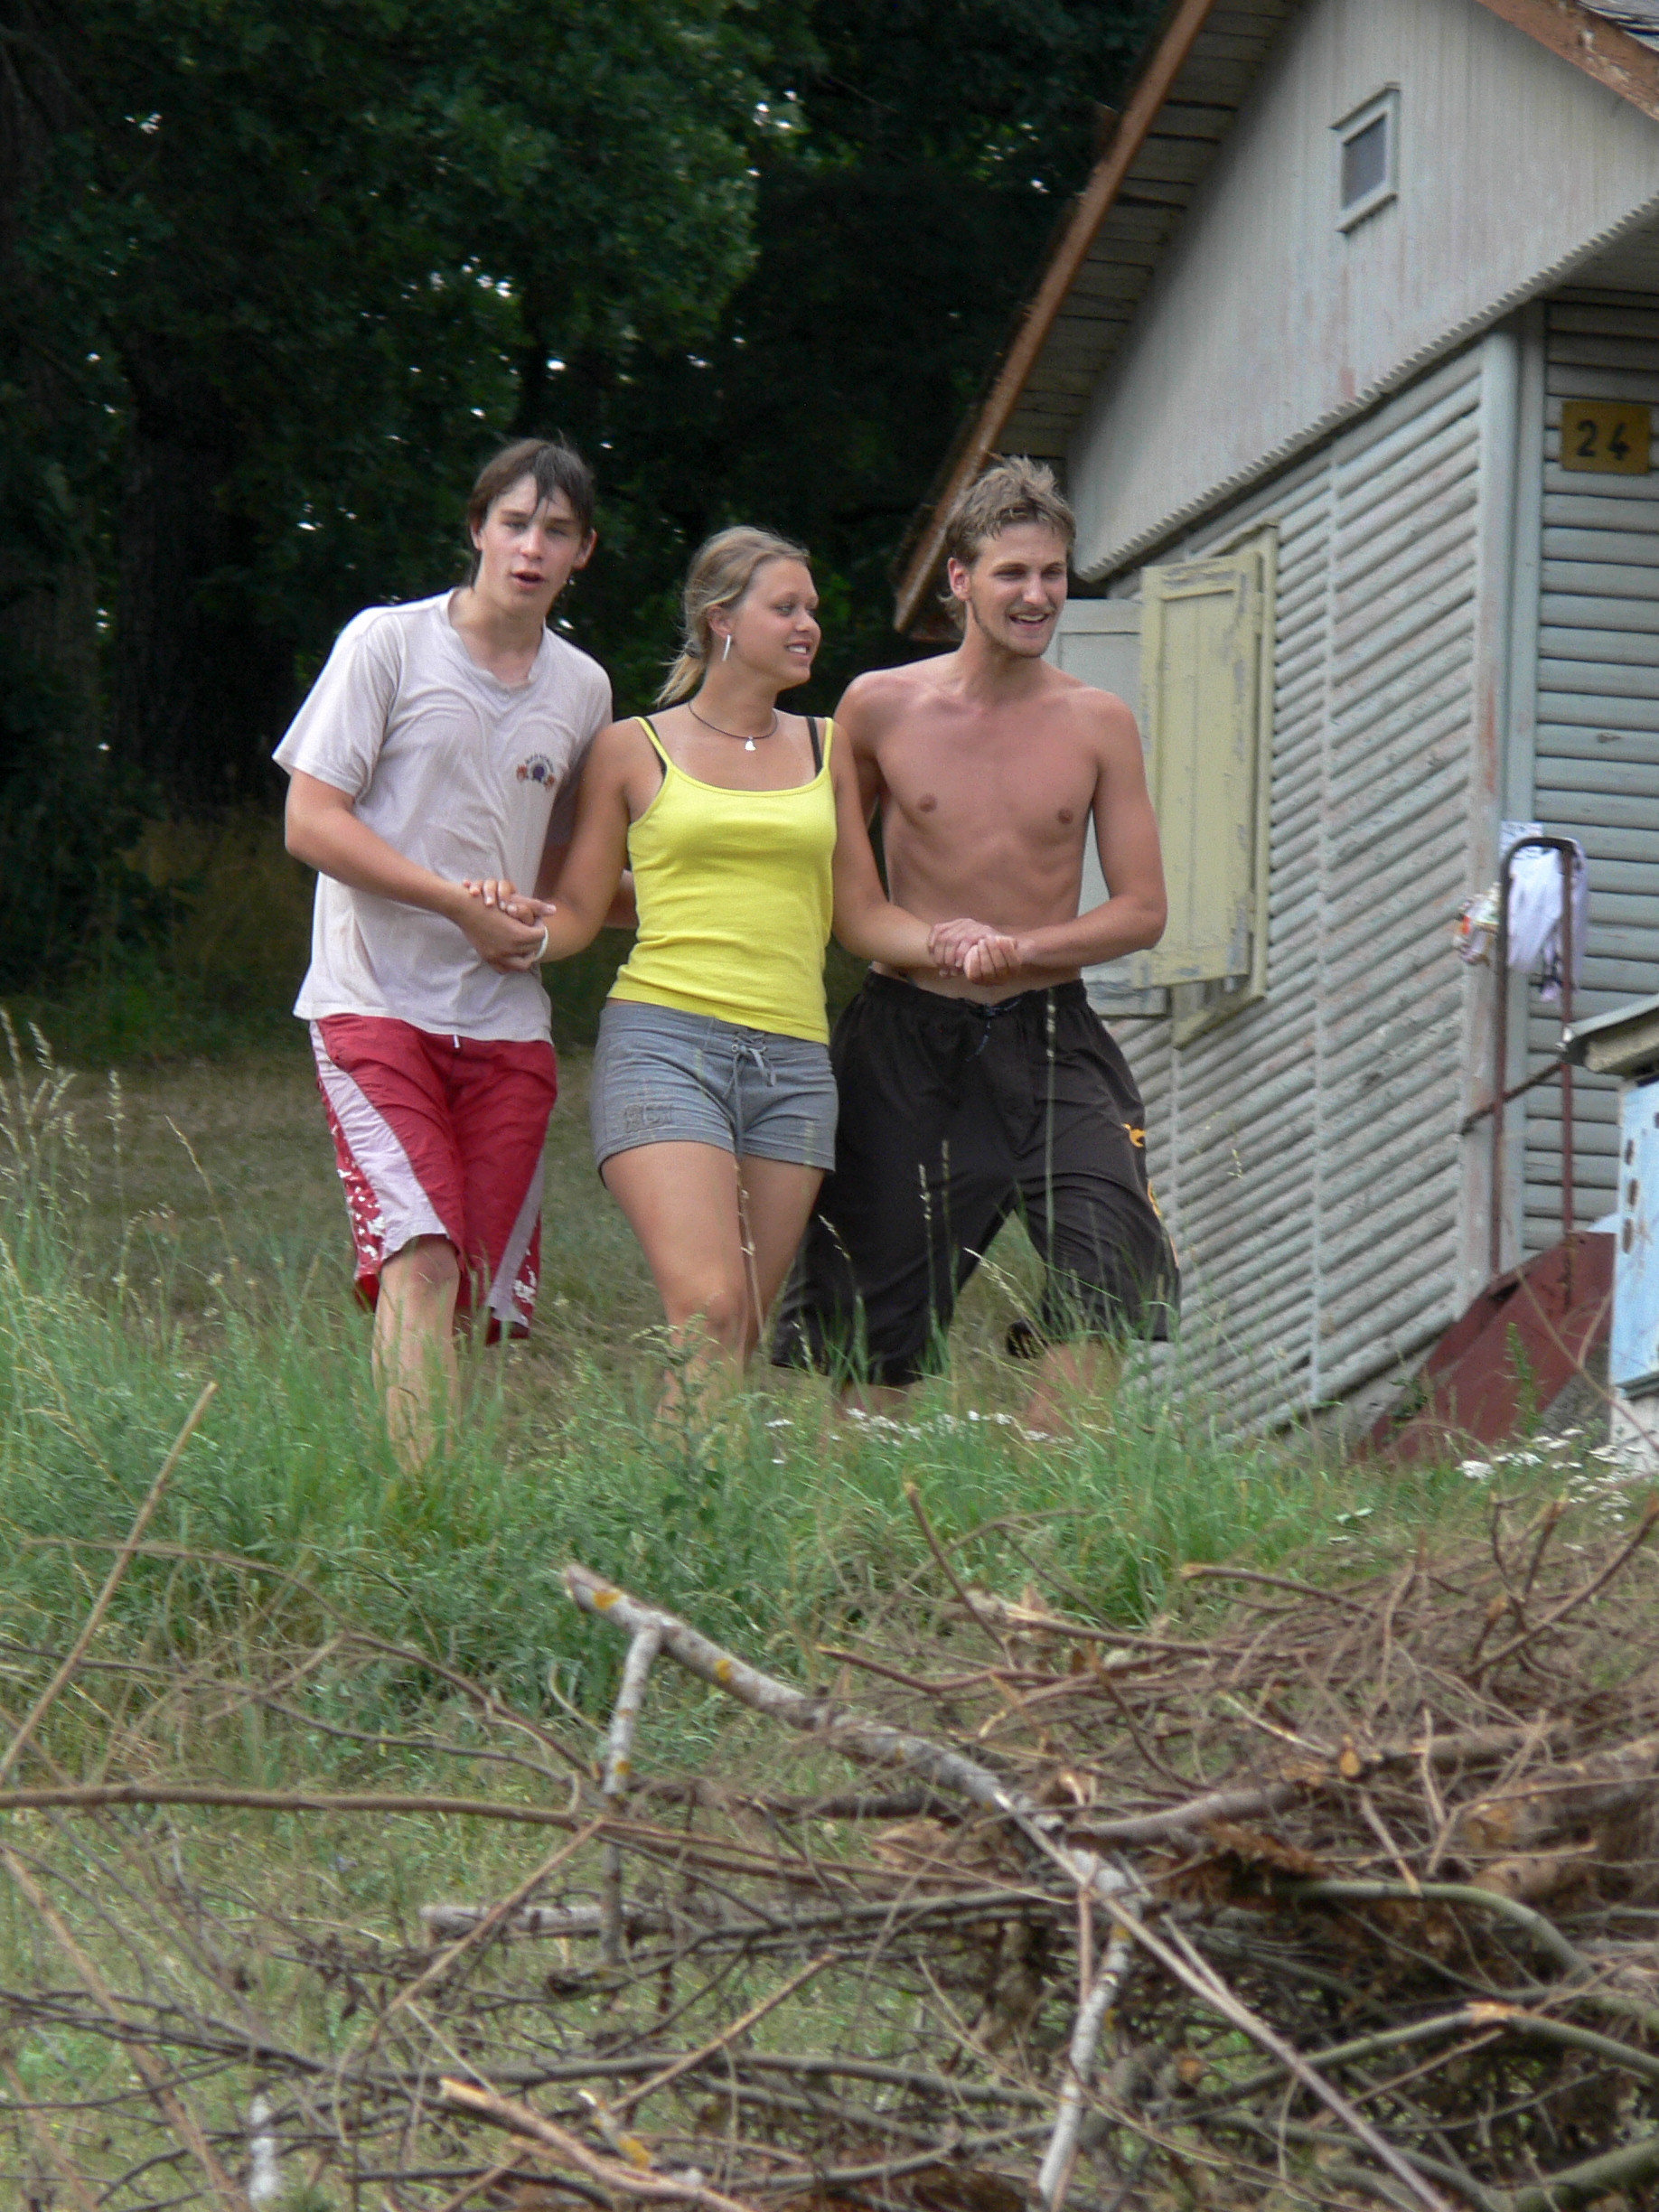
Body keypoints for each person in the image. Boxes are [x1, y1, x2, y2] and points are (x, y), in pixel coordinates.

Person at [470, 525, 1017, 1399]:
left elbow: (861, 916)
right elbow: (578, 910)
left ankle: (685, 1489)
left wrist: (943, 941)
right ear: (721, 619)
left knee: (739, 1335)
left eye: (812, 610)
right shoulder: (631, 747)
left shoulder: (827, 747)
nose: (808, 626)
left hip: (793, 1062)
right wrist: (518, 930)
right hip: (664, 1043)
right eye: (786, 607)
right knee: (709, 1308)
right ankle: (681, 1489)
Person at [771, 456, 1178, 1434]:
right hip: (906, 1039)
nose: (1038, 595)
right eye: (1013, 574)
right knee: (874, 1325)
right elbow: (852, 908)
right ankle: (858, 1516)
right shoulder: (877, 709)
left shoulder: (1098, 722)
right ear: (959, 579)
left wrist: (1022, 948)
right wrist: (941, 944)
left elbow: (1142, 910)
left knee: (1113, 1259)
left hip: (1051, 1033)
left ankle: (1037, 1499)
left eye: (1053, 573)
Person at [276, 437, 614, 1467]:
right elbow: (311, 821)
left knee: (467, 1284)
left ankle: (442, 1494)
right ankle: (417, 1513)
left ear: (584, 552)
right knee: (420, 1255)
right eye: (515, 523)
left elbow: (561, 866)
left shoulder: (583, 688)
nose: (532, 547)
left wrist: (534, 918)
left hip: (506, 1024)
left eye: (556, 531)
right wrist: (452, 903)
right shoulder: (387, 643)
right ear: (478, 529)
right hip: (373, 1002)